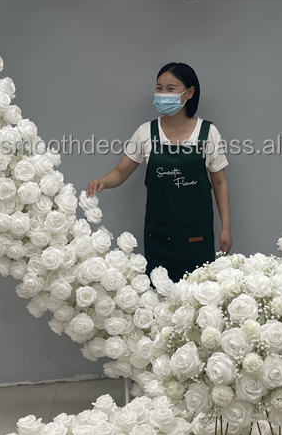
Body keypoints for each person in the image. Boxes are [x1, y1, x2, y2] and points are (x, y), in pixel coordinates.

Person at [85, 62, 232, 282]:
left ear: (189, 92)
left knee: (199, 293)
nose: (163, 94)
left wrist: (226, 227)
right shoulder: (146, 132)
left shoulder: (208, 133)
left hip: (197, 235)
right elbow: (121, 171)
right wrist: (103, 181)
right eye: (159, 88)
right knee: (158, 292)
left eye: (171, 89)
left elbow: (220, 183)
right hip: (159, 235)